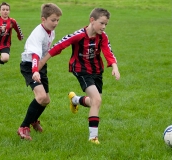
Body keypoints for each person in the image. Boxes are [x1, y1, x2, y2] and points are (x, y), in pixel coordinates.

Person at [35, 8, 120, 144]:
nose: (104, 27)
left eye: (106, 24)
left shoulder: (102, 36)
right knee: (97, 100)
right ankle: (93, 137)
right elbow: (58, 47)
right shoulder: (78, 35)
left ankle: (75, 100)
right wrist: (38, 67)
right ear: (92, 20)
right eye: (102, 23)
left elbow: (108, 52)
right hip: (81, 70)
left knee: (94, 102)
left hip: (97, 71)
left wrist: (114, 67)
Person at [17, 3, 62, 140]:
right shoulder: (38, 33)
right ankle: (23, 127)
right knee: (41, 96)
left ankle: (33, 120)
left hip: (40, 66)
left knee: (46, 100)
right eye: (53, 20)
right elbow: (35, 54)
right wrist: (35, 70)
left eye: (58, 20)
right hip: (30, 65)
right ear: (43, 19)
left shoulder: (51, 31)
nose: (55, 23)